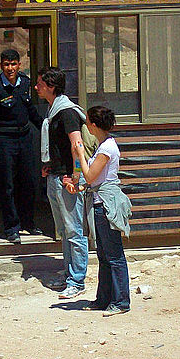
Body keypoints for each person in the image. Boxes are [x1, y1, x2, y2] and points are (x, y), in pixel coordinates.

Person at [0, 49, 43, 244]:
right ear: (1, 66)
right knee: (7, 185)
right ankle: (11, 228)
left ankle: (27, 223)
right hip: (4, 139)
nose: (10, 68)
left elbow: (30, 110)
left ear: (19, 65)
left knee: (28, 182)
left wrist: (46, 128)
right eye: (6, 64)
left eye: (13, 64)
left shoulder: (25, 82)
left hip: (25, 137)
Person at [71, 106, 132, 316]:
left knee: (114, 255)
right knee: (104, 255)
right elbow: (90, 177)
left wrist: (79, 152)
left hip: (105, 205)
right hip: (98, 200)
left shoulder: (107, 149)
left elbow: (90, 176)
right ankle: (104, 298)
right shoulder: (102, 146)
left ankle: (121, 301)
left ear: (94, 125)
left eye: (88, 121)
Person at [35, 67, 88, 299]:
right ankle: (69, 274)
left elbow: (78, 148)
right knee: (64, 231)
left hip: (67, 181)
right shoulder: (52, 110)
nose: (36, 87)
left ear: (51, 86)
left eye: (40, 84)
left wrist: (75, 177)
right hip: (55, 176)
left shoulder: (66, 112)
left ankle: (77, 280)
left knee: (74, 230)